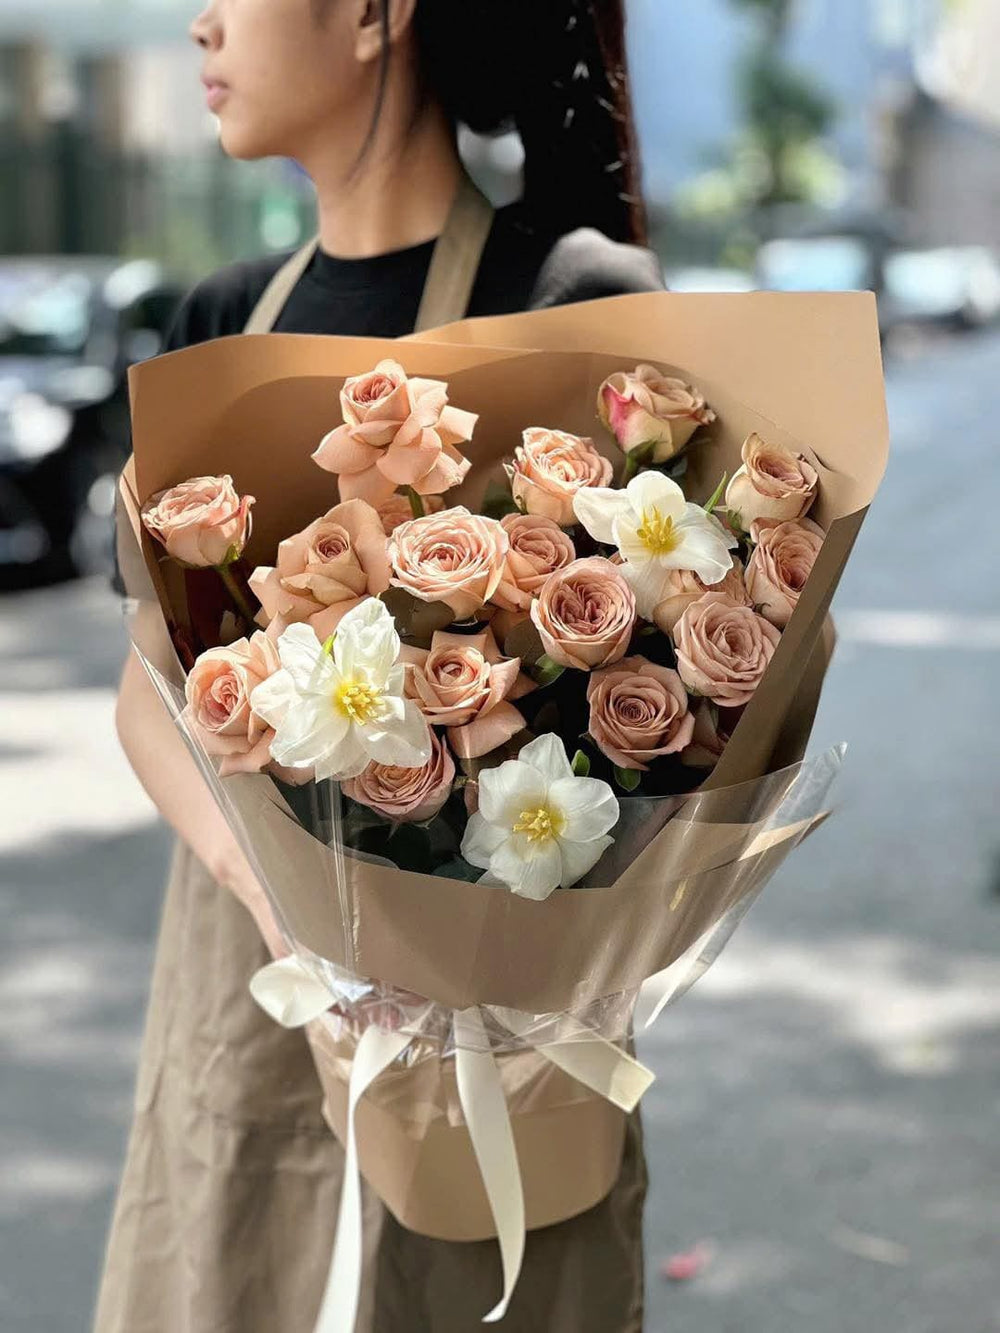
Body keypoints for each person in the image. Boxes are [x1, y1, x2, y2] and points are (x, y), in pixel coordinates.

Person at [95, 2, 661, 1330]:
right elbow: (149, 686)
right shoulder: (220, 324)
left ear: (371, 14)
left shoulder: (570, 296)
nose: (200, 24)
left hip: (492, 1011)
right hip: (251, 972)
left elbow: (648, 700)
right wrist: (273, 892)